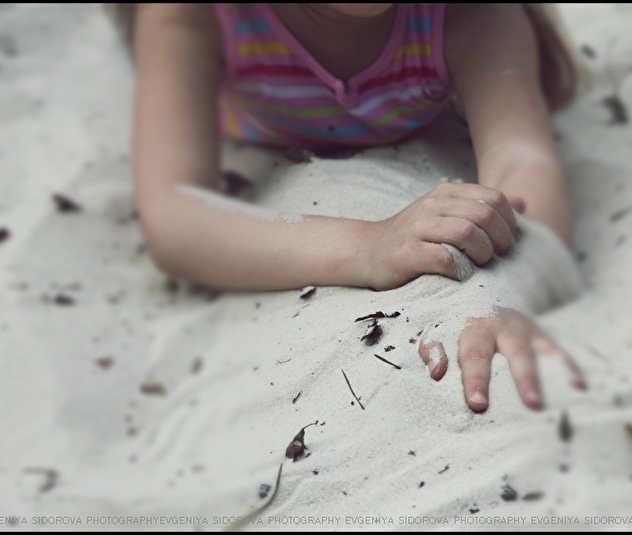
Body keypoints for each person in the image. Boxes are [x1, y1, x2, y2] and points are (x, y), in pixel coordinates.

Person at [109, 3, 587, 413]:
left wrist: (504, 292)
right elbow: (174, 215)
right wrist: (366, 246)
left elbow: (522, 163)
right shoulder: (192, 15)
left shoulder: (466, 14)